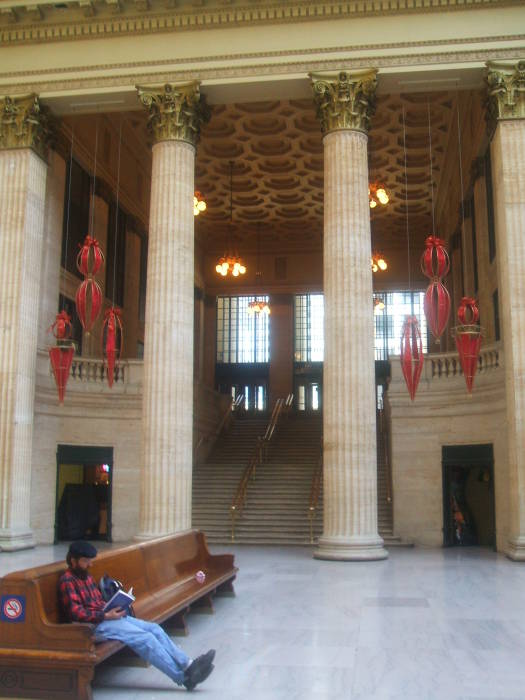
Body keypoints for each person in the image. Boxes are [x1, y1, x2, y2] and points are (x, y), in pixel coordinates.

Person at [58, 540, 215, 691]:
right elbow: (76, 613)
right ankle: (184, 679)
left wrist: (114, 606)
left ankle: (188, 664)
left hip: (108, 618)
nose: (90, 565)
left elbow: (97, 601)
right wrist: (106, 615)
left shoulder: (86, 576)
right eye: (86, 561)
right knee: (145, 638)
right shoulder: (67, 581)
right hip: (92, 627)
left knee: (154, 629)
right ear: (73, 560)